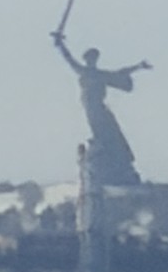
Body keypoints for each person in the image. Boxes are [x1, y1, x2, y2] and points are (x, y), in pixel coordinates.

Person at [52, 32, 151, 185]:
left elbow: (120, 72)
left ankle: (118, 157)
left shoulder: (99, 74)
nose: (93, 61)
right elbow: (69, 59)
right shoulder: (84, 72)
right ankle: (104, 151)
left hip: (100, 107)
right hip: (92, 109)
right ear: (87, 60)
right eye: (91, 59)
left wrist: (138, 66)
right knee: (103, 132)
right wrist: (60, 45)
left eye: (95, 59)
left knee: (114, 131)